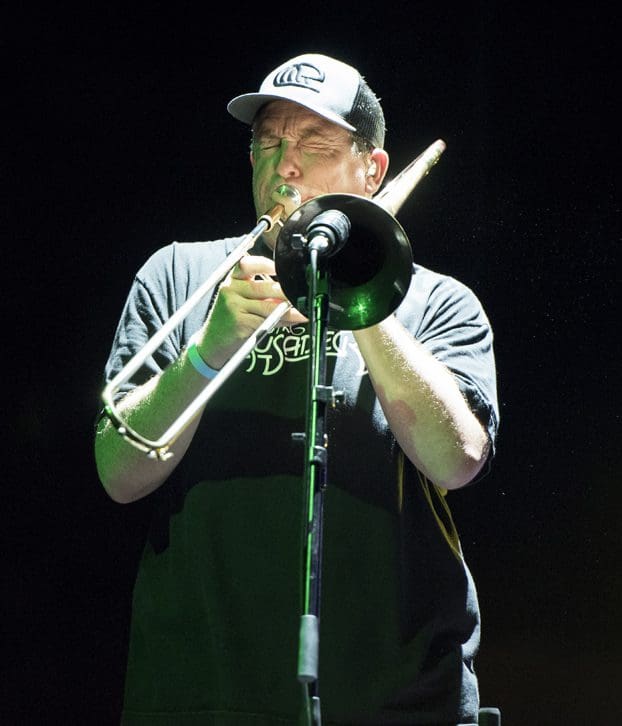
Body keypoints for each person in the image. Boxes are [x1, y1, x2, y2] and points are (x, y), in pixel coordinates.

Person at [95, 53, 499, 726]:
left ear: (372, 170)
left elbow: (456, 461)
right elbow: (118, 473)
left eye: (315, 145)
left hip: (396, 702)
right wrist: (210, 347)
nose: (285, 167)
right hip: (202, 697)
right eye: (269, 143)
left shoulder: (437, 302)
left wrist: (361, 297)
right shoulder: (178, 274)